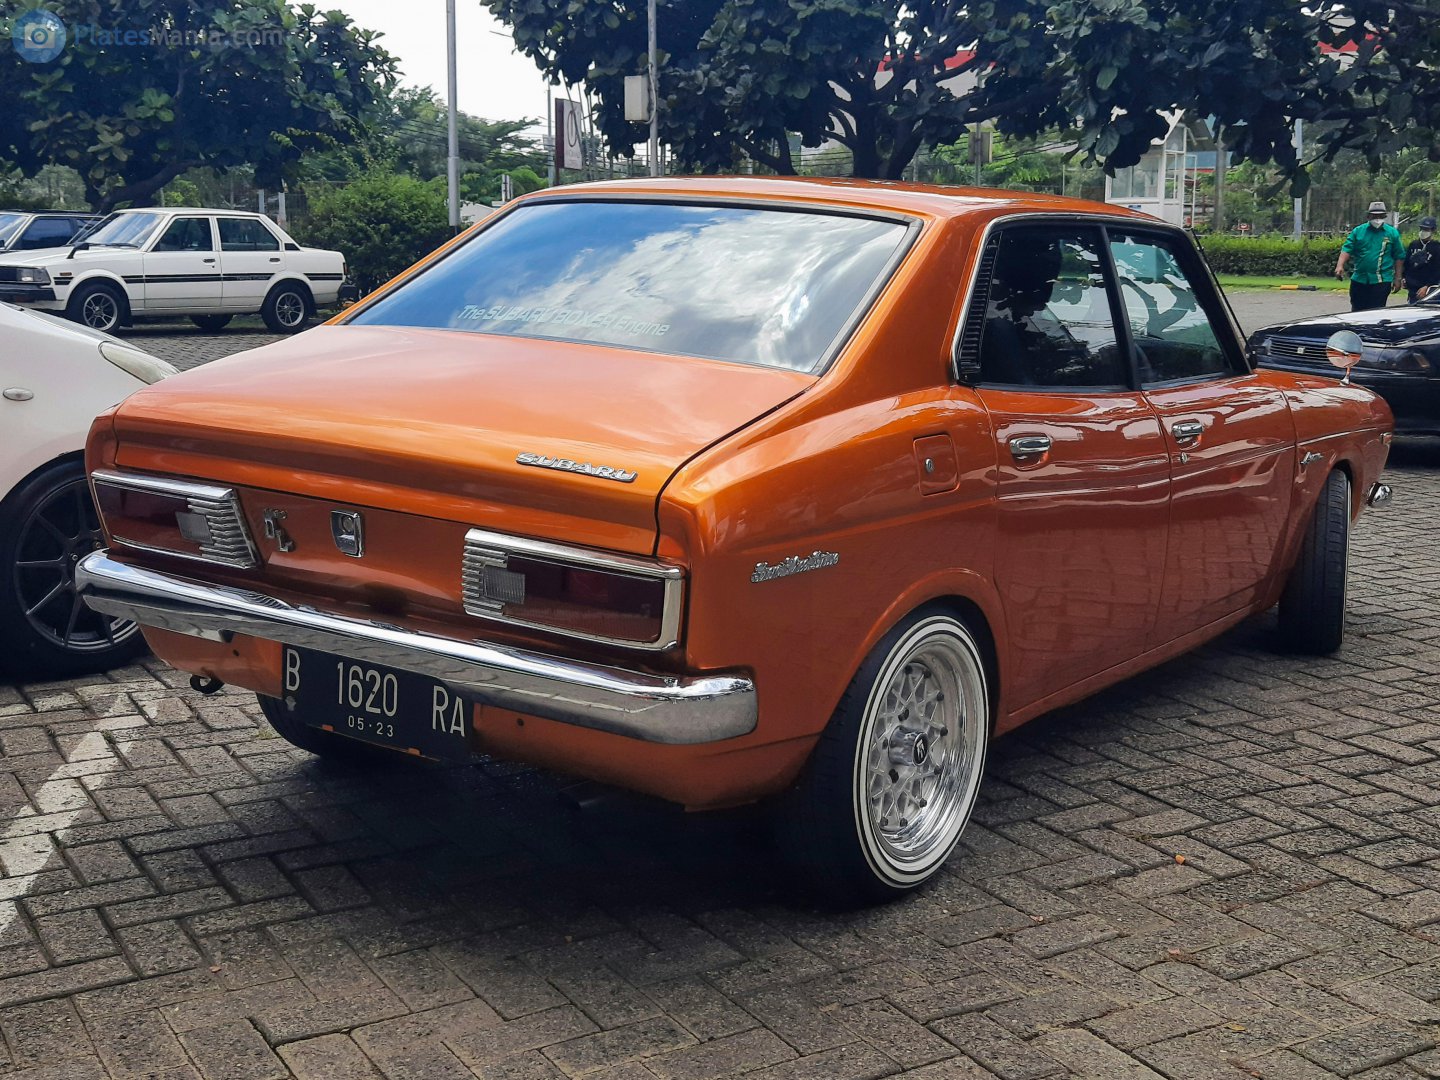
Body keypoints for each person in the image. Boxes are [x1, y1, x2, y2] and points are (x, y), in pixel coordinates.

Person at [1337, 201, 1405, 311]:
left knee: (1376, 312)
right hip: (1359, 279)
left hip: (1381, 280)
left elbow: (1399, 256)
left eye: (1380, 216)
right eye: (1374, 216)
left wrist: (1398, 278)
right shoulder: (1358, 231)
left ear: (1384, 216)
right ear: (1368, 216)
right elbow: (1347, 249)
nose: (1377, 219)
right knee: (1357, 311)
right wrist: (1340, 265)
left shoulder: (1392, 233)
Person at [1405, 216, 1440, 303]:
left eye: (1427, 229)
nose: (1423, 231)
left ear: (1433, 230)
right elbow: (1407, 264)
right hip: (1413, 287)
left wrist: (1427, 286)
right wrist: (1404, 278)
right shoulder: (1413, 245)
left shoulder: (1437, 247)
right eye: (1422, 228)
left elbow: (1437, 270)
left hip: (1429, 288)